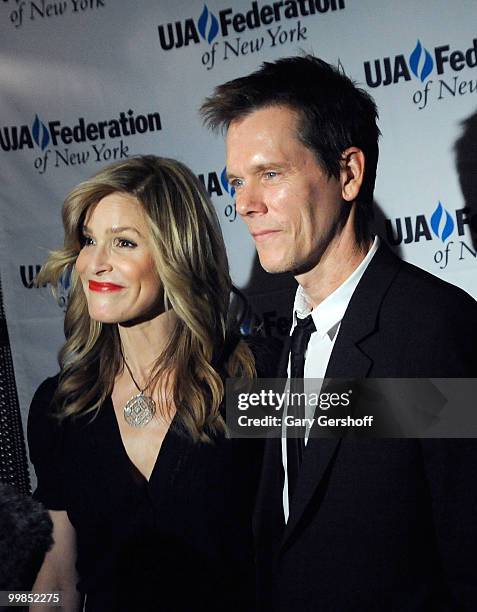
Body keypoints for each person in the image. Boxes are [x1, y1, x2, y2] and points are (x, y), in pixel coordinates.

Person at [201, 55, 477, 611]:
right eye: (236, 181)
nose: (246, 205)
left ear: (348, 173)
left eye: (270, 174)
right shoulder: (284, 344)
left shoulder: (432, 329)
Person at [28, 155, 266, 611]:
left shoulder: (249, 379)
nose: (95, 263)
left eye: (123, 243)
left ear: (178, 252)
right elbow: (55, 588)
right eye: (89, 240)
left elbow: (428, 411)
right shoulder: (63, 405)